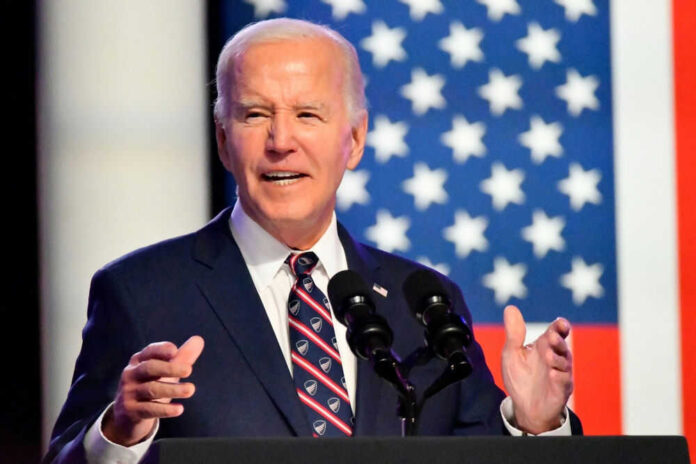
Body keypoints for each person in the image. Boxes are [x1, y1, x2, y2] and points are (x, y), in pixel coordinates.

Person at [44, 18, 580, 464]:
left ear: (355, 138)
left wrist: (536, 426)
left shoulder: (426, 303)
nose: (281, 142)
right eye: (255, 114)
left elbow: (477, 454)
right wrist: (118, 432)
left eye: (307, 115)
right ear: (223, 140)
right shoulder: (141, 292)